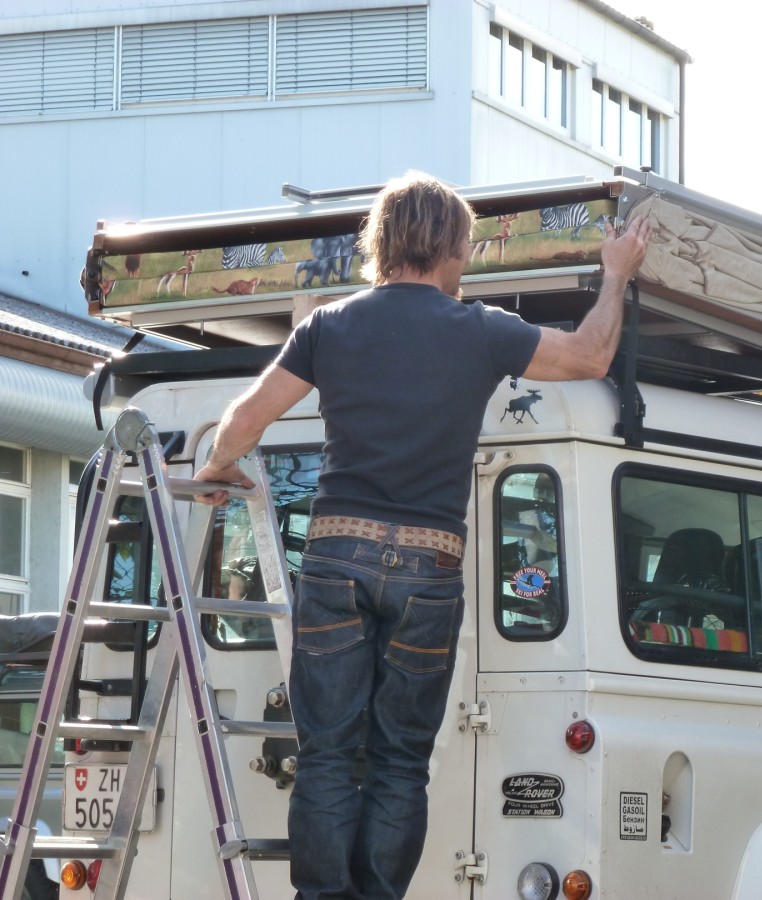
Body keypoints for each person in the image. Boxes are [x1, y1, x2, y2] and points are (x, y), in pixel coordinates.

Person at [194, 171, 650, 899]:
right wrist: (615, 276)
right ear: (447, 247)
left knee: (327, 756)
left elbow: (245, 420)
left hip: (337, 553)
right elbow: (592, 356)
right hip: (429, 567)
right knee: (401, 761)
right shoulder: (480, 331)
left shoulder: (329, 325)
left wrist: (220, 466)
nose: (467, 259)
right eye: (466, 246)